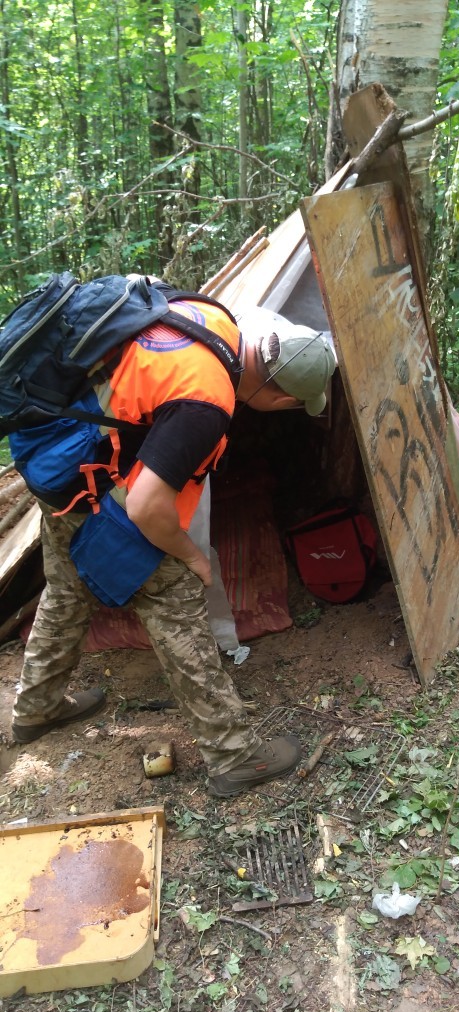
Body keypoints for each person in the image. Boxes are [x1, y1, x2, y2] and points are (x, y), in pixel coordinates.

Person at [10, 284, 336, 798]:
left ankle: (35, 708)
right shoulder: (208, 400)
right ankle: (233, 755)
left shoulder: (215, 322)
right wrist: (192, 556)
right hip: (91, 480)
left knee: (66, 589)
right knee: (175, 598)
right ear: (279, 397)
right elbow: (145, 505)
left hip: (54, 461)